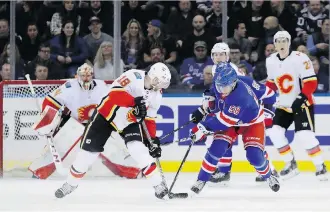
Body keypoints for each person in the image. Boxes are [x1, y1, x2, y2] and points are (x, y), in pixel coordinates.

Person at [53, 62, 172, 199]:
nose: (160, 86)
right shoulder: (133, 76)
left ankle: (158, 185)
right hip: (106, 115)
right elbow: (114, 94)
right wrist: (134, 102)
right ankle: (70, 183)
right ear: (152, 76)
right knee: (87, 155)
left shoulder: (157, 95)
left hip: (128, 120)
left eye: (163, 84)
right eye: (159, 82)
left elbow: (150, 119)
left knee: (138, 149)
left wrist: (152, 140)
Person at [31, 63, 141, 180]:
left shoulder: (102, 86)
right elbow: (51, 101)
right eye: (83, 75)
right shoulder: (69, 87)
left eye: (88, 75)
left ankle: (130, 170)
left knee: (110, 147)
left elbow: (114, 101)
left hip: (96, 124)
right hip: (73, 124)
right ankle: (40, 170)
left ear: (92, 75)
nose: (86, 78)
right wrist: (47, 118)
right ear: (77, 75)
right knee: (61, 145)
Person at [189, 63, 280, 195]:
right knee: (216, 149)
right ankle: (201, 179)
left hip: (251, 123)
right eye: (219, 85)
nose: (221, 90)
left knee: (254, 156)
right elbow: (214, 92)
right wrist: (202, 108)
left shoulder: (241, 97)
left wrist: (202, 128)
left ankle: (268, 175)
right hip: (231, 121)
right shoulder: (220, 82)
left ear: (234, 82)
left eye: (225, 87)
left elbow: (222, 122)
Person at [265, 31, 328, 180]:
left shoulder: (300, 58)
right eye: (278, 41)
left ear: (289, 42)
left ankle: (320, 166)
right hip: (283, 104)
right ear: (274, 43)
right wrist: (262, 93)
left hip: (302, 103)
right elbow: (272, 83)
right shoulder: (271, 60)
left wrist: (301, 97)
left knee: (304, 135)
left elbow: (311, 82)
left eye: (284, 41)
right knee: (274, 132)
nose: (281, 44)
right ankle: (290, 163)